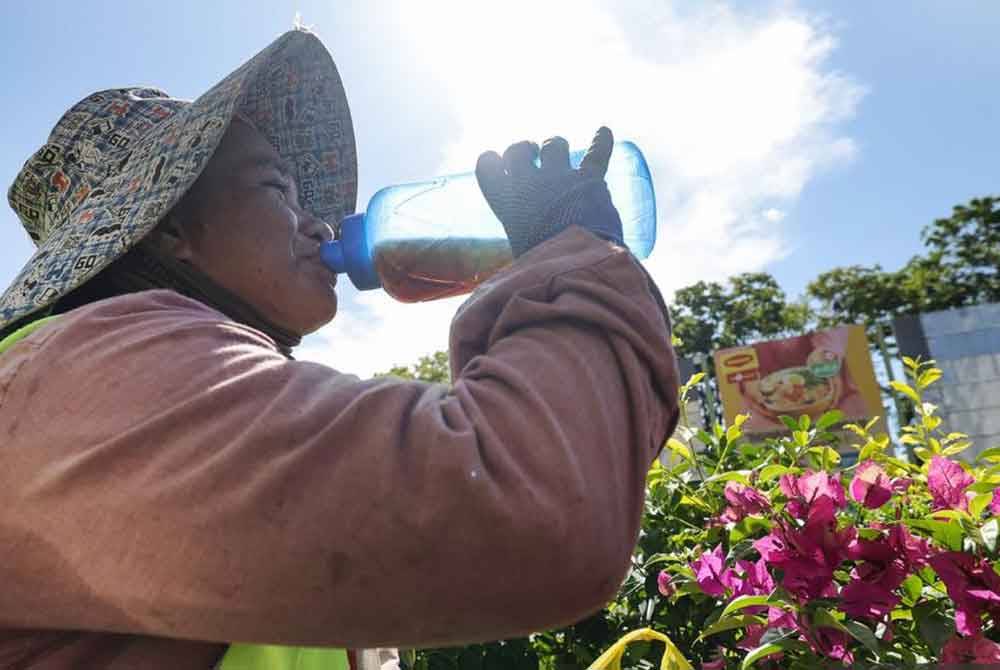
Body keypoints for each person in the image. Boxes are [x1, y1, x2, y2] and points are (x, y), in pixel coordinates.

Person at [0, 29, 680, 670]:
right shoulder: (102, 372)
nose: (320, 223)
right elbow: (537, 510)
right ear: (173, 226)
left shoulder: (151, 386)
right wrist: (570, 258)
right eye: (276, 189)